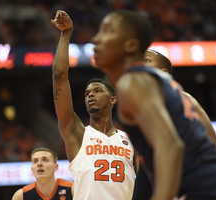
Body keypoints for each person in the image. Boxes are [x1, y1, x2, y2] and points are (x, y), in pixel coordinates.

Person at [92, 9, 216, 200]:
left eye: (107, 31)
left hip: (206, 187)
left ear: (130, 45)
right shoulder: (162, 85)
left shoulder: (133, 81)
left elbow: (170, 146)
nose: (96, 39)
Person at [50, 10, 136, 200]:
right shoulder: (78, 134)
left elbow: (148, 184)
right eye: (88, 93)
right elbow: (59, 76)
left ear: (113, 99)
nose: (90, 95)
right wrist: (65, 34)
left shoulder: (131, 140)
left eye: (97, 91)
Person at [143, 49, 216, 150]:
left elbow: (214, 144)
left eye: (146, 60)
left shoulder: (183, 99)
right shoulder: (136, 104)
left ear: (163, 73)